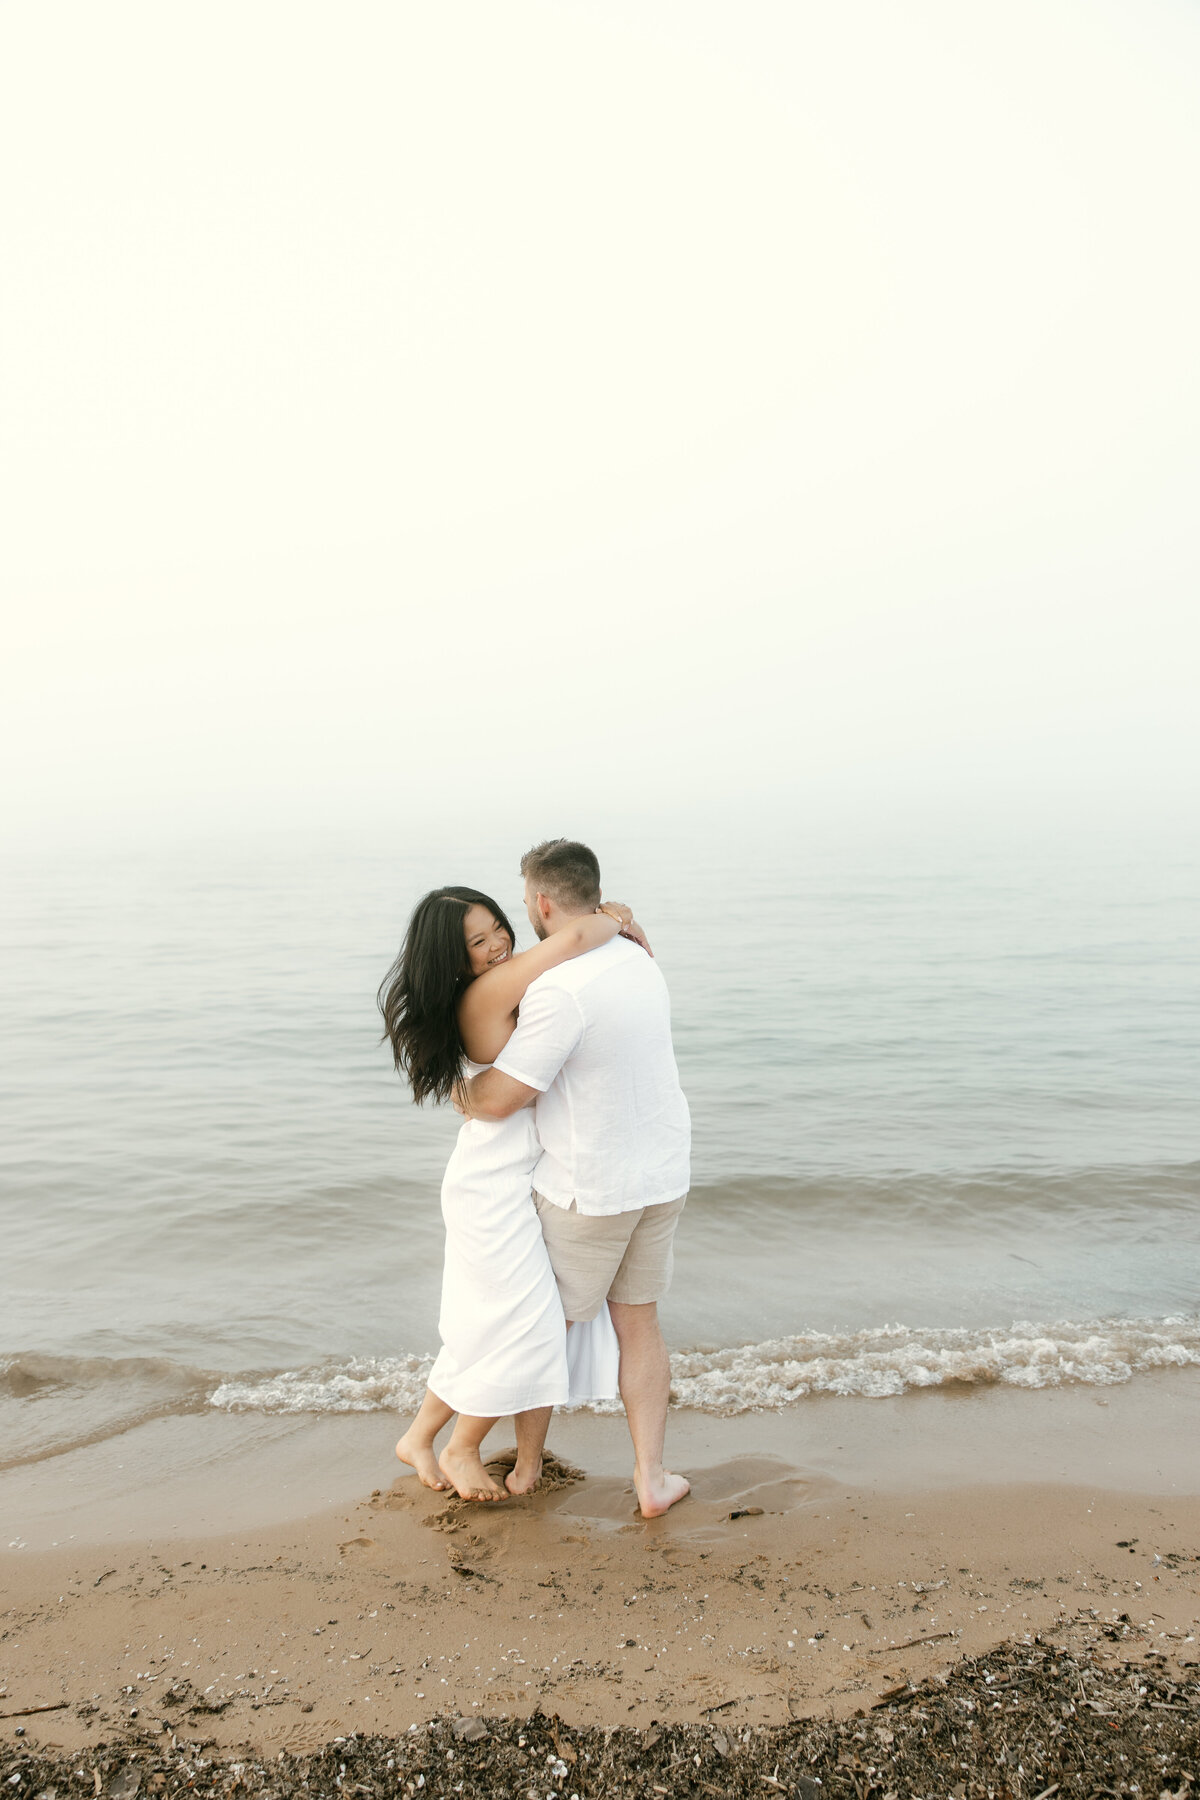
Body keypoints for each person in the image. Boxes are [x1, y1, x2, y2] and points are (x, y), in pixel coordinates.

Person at [377, 885, 645, 1501]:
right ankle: (462, 1448)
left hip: (513, 1179)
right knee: (530, 1325)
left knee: (491, 1325)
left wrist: (612, 919)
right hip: (491, 1189)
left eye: (498, 926)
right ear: (452, 958)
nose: (498, 942)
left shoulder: (500, 984)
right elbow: (574, 937)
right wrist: (616, 916)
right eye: (478, 940)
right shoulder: (488, 992)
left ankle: (419, 1437)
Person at [456, 840, 692, 1518]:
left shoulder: (558, 989)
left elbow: (503, 1098)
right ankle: (651, 1479)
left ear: (541, 903)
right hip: (662, 1174)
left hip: (592, 1187)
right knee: (639, 1323)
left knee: (543, 1328)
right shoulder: (638, 957)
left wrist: (455, 1089)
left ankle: (496, 1454)